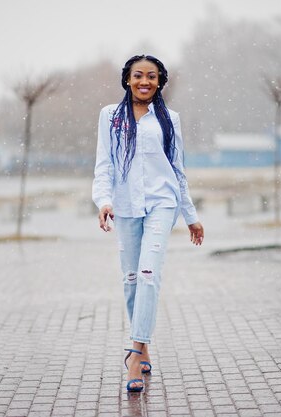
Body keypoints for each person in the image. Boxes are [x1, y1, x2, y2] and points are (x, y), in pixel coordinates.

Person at [92, 54, 204, 393]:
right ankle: (144, 347)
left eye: (152, 77)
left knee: (148, 275)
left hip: (162, 203)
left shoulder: (170, 119)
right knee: (130, 280)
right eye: (138, 75)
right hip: (125, 206)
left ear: (160, 81)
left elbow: (177, 169)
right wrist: (104, 201)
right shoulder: (110, 117)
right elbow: (104, 164)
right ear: (127, 79)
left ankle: (134, 353)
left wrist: (191, 216)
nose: (145, 82)